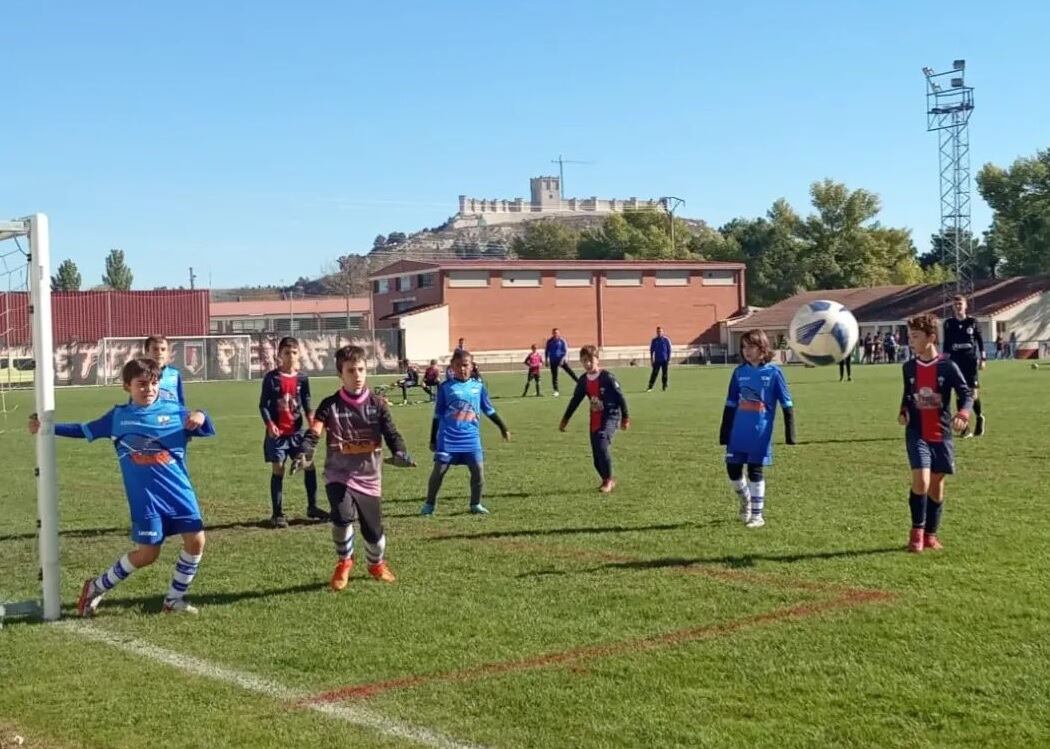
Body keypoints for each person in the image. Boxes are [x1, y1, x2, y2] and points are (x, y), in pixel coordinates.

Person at [29, 358, 214, 615]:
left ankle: (174, 600)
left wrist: (201, 414)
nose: (149, 389)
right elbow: (84, 430)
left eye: (154, 383)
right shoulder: (118, 417)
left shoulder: (175, 412)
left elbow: (203, 422)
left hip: (180, 493)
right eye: (141, 384)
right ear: (126, 386)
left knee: (196, 541)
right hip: (146, 499)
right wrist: (48, 426)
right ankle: (96, 586)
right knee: (148, 554)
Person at [298, 345, 415, 589]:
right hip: (338, 475)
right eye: (351, 371)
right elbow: (314, 432)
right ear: (341, 375)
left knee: (373, 533)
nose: (358, 375)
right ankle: (344, 563)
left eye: (361, 369)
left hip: (369, 478)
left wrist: (401, 452)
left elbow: (392, 434)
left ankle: (376, 564)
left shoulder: (378, 404)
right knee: (342, 518)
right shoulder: (329, 405)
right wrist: (305, 452)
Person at [899, 314, 972, 553]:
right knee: (921, 480)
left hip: (941, 434)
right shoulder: (908, 367)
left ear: (931, 338)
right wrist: (903, 411)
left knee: (937, 485)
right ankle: (916, 535)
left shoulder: (948, 367)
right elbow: (908, 395)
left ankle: (931, 535)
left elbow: (966, 394)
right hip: (916, 433)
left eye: (916, 336)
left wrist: (963, 414)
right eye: (909, 336)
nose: (911, 341)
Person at [718, 329, 796, 528]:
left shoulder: (774, 373)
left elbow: (787, 403)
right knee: (733, 471)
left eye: (751, 346)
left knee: (755, 470)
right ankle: (745, 501)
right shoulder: (739, 372)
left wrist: (790, 433)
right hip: (738, 432)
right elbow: (730, 403)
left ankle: (757, 516)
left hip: (760, 433)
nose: (747, 351)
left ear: (762, 348)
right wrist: (725, 431)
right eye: (744, 347)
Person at [422, 349, 510, 516]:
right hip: (448, 439)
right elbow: (437, 415)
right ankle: (429, 504)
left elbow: (489, 410)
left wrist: (503, 427)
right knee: (439, 472)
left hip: (471, 439)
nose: (462, 369)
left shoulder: (478, 387)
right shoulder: (446, 388)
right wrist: (433, 439)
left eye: (465, 365)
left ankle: (475, 504)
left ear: (471, 366)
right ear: (452, 368)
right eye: (458, 366)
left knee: (478, 472)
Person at [259, 336, 328, 528]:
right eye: (287, 353)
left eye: (294, 352)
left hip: (298, 432)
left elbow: (306, 400)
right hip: (278, 435)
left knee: (309, 465)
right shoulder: (271, 378)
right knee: (278, 469)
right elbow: (263, 405)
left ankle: (313, 507)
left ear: (299, 354)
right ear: (279, 355)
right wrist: (269, 423)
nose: (291, 356)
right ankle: (277, 513)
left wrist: (312, 419)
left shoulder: (303, 378)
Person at [560, 345, 630, 493]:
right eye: (584, 361)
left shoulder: (607, 377)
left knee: (601, 440)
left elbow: (620, 397)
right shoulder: (583, 380)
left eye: (590, 360)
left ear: (597, 359)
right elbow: (575, 400)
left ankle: (609, 481)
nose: (587, 364)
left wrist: (625, 417)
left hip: (610, 415)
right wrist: (565, 419)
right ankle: (606, 479)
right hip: (595, 417)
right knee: (596, 457)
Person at [943, 295, 987, 437]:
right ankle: (964, 427)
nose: (958, 306)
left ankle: (980, 416)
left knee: (972, 394)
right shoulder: (949, 323)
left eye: (960, 304)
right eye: (955, 304)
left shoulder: (972, 321)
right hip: (955, 361)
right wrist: (944, 360)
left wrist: (983, 358)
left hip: (970, 361)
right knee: (958, 393)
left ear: (965, 305)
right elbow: (946, 344)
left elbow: (980, 341)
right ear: (952, 307)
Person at [144, 335, 185, 404]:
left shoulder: (174, 373)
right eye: (155, 349)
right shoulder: (140, 374)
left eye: (163, 349)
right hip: (150, 414)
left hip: (170, 413)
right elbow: (134, 402)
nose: (159, 353)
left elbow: (180, 401)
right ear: (147, 351)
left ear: (167, 352)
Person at [544, 327, 578, 397]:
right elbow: (546, 351)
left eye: (556, 333)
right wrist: (546, 360)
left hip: (561, 360)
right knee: (554, 376)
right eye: (554, 333)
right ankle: (556, 391)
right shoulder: (549, 341)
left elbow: (565, 351)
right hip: (553, 360)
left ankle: (579, 383)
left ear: (559, 333)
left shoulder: (562, 341)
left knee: (570, 372)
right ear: (552, 333)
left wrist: (563, 359)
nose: (555, 334)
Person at [647, 326, 672, 392]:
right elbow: (652, 351)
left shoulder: (666, 340)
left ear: (662, 332)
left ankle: (664, 386)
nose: (659, 333)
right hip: (657, 360)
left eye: (660, 331)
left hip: (664, 360)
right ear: (656, 332)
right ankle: (650, 386)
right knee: (654, 374)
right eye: (658, 331)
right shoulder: (654, 341)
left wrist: (669, 359)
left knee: (664, 374)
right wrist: (652, 360)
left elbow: (669, 350)